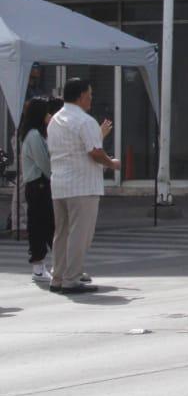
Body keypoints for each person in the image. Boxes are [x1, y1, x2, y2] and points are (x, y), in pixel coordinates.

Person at [47, 79, 116, 295]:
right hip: (83, 185)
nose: (91, 98)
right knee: (80, 234)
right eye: (89, 94)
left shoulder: (55, 120)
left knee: (62, 233)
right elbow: (94, 152)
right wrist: (112, 163)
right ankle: (71, 279)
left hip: (60, 184)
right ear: (80, 96)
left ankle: (58, 277)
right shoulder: (84, 121)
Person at [19, 96, 60, 283]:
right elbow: (44, 162)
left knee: (49, 224)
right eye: (46, 111)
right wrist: (56, 176)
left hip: (41, 185)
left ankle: (57, 264)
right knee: (39, 225)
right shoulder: (34, 135)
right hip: (38, 185)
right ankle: (38, 266)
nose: (49, 115)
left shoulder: (37, 133)